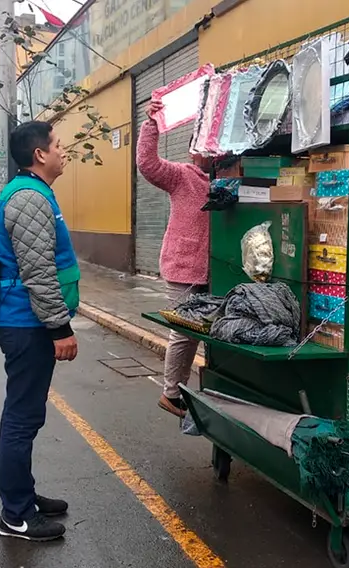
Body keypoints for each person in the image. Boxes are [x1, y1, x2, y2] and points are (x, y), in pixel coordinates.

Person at [0, 120, 79, 542]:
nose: (64, 151)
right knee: (22, 419)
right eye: (58, 145)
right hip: (27, 324)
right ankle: (16, 515)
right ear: (39, 154)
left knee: (26, 415)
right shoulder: (28, 197)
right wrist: (60, 328)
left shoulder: (34, 192)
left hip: (28, 321)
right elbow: (38, 271)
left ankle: (22, 496)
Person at [136, 99, 211, 418]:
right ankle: (170, 393)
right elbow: (147, 164)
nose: (210, 152)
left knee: (207, 334)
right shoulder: (182, 176)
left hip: (213, 272)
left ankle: (204, 390)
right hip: (184, 268)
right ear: (194, 150)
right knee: (183, 332)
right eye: (205, 146)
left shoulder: (223, 182)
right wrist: (151, 123)